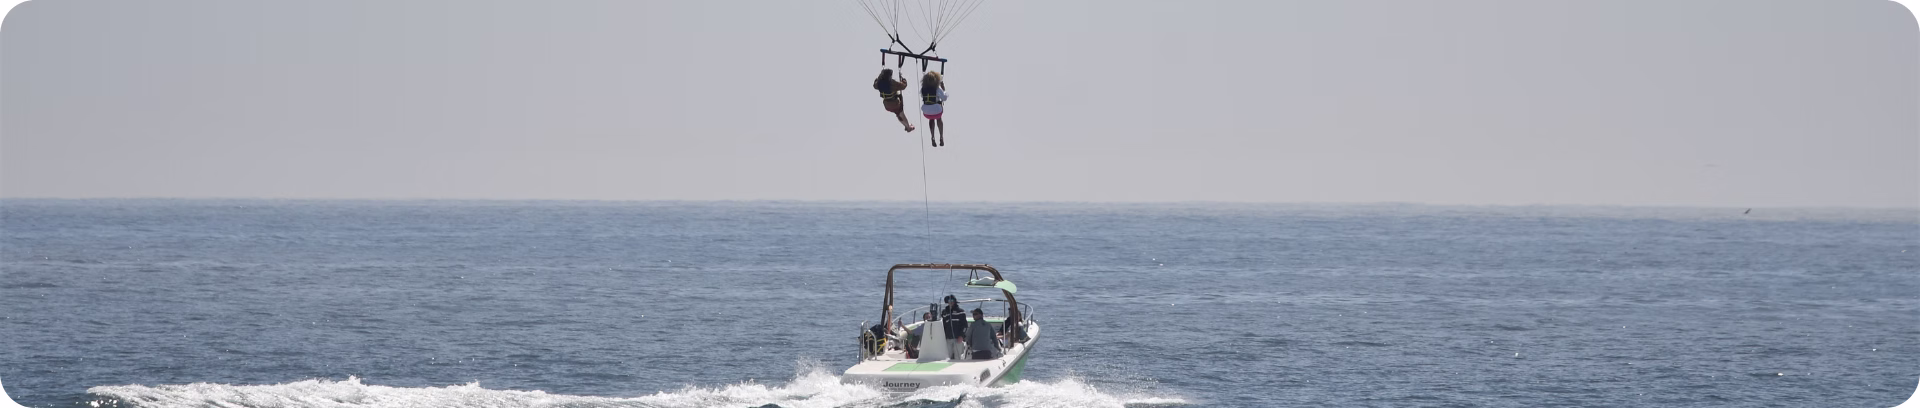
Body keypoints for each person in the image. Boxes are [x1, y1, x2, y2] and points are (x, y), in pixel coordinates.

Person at [919, 71, 948, 147]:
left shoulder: (923, 89)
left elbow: (922, 96)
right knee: (939, 119)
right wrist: (943, 90)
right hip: (937, 111)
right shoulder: (937, 89)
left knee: (931, 119)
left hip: (926, 113)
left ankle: (932, 136)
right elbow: (944, 98)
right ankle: (941, 136)